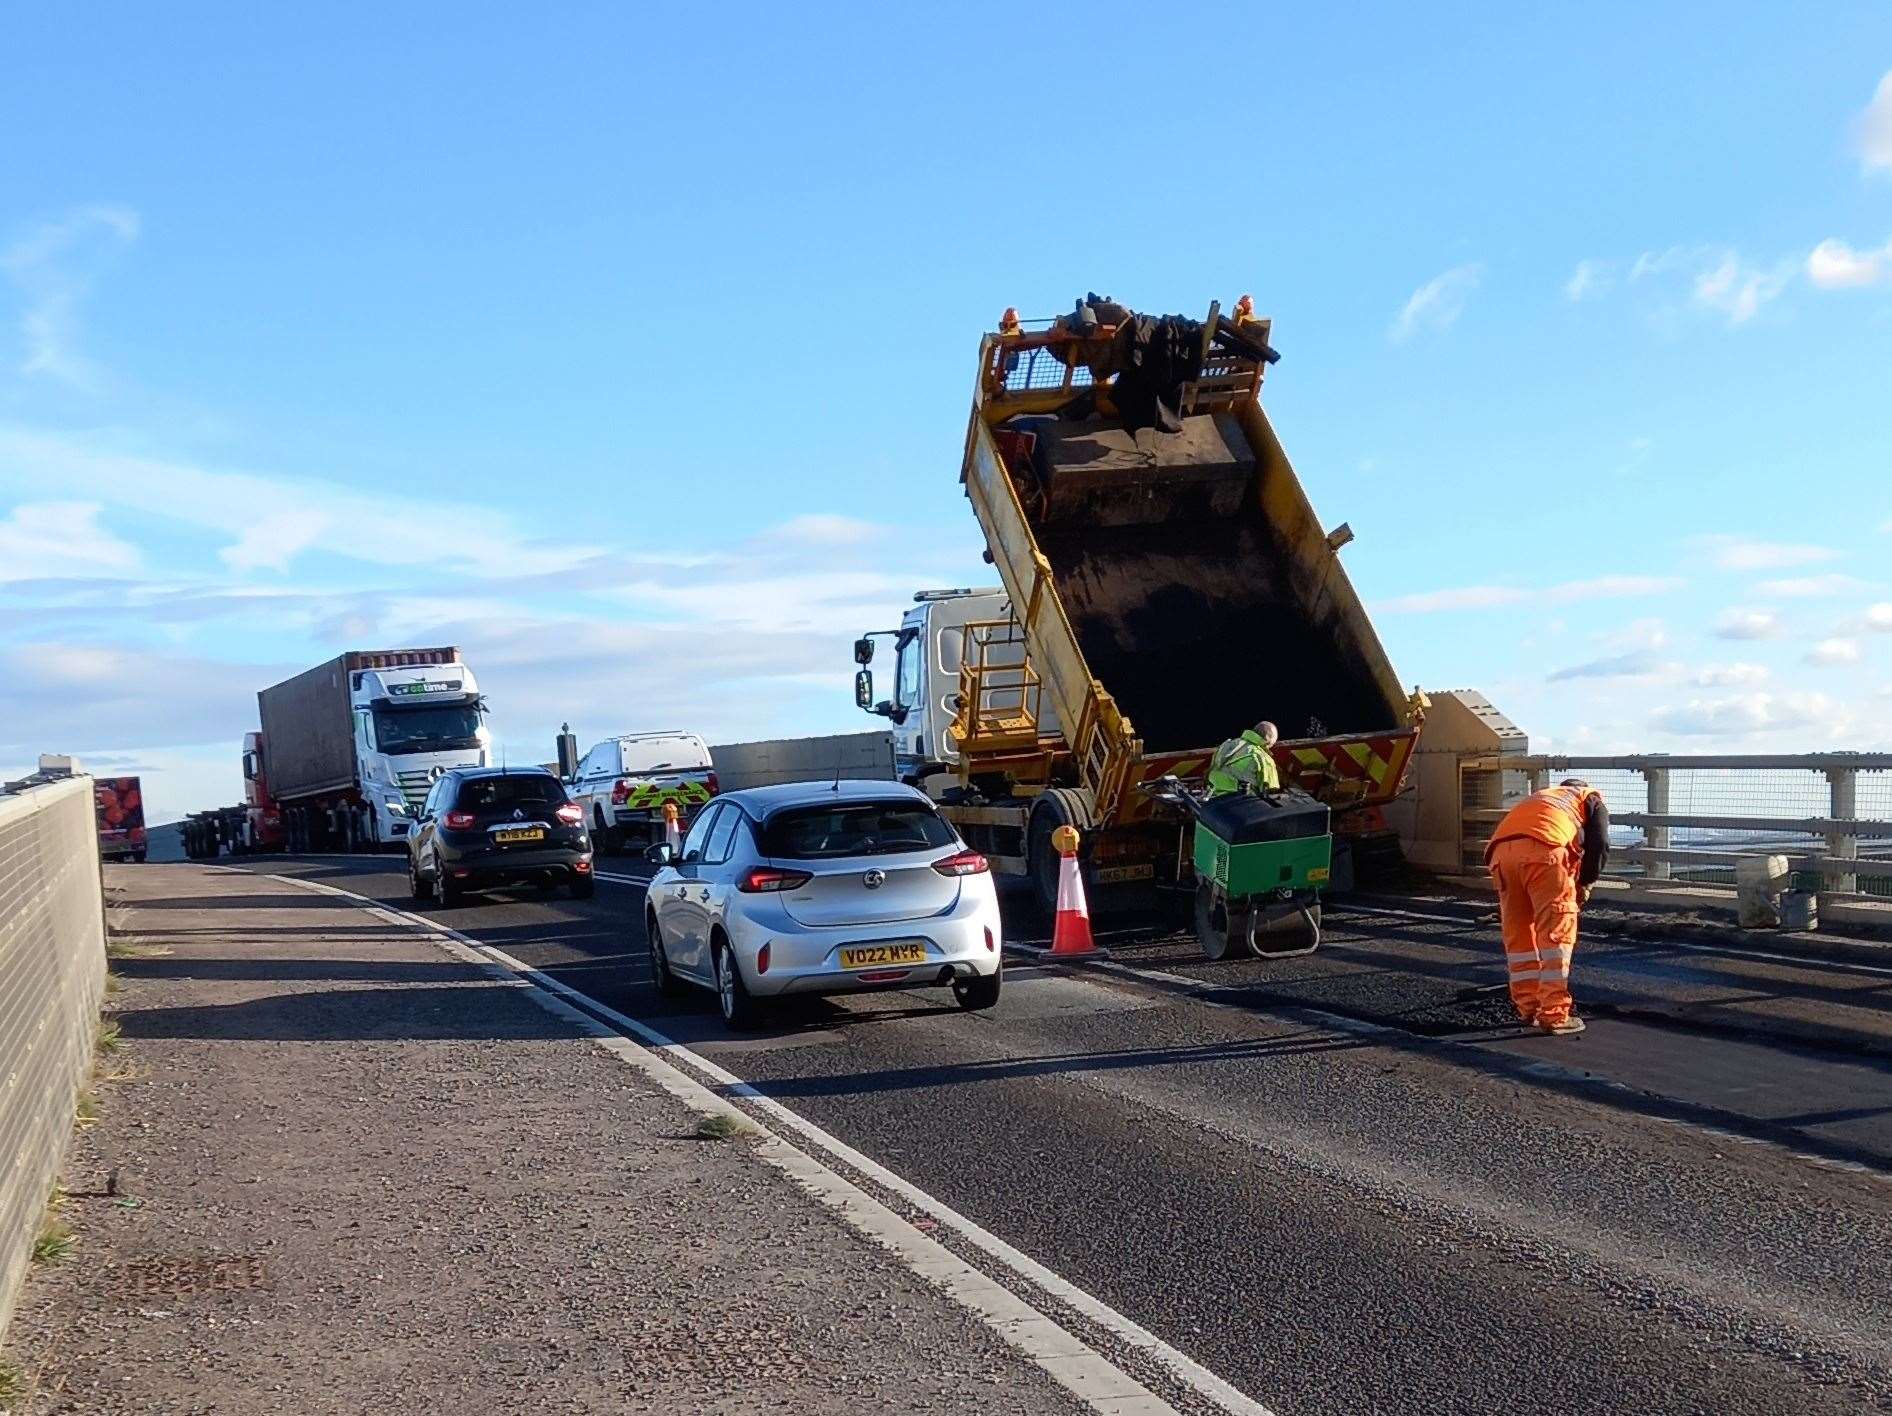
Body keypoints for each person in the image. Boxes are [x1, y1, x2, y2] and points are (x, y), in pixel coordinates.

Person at [1483, 779, 1611, 1035]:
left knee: (1518, 933)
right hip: (1544, 852)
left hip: (1500, 856)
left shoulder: (1542, 798)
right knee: (1556, 933)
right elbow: (1599, 843)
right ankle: (1554, 1015)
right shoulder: (1589, 798)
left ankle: (1528, 1007)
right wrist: (1585, 882)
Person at [1206, 720, 1281, 798]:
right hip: (1241, 801)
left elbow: (1212, 768)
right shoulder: (1263, 758)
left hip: (1214, 795)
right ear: (1270, 741)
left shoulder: (1227, 745)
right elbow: (1270, 788)